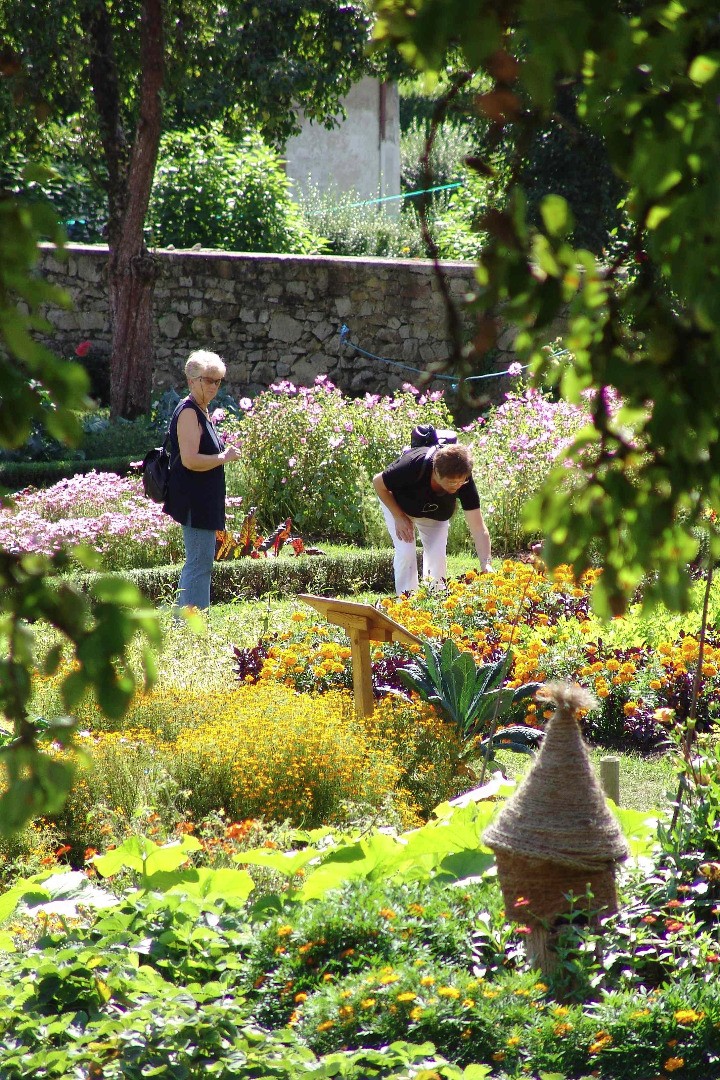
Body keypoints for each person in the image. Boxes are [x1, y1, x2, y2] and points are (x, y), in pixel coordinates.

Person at [163, 350, 240, 611]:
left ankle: (183, 623)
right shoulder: (188, 412)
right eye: (209, 380)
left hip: (204, 499)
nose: (215, 387)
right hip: (194, 500)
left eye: (218, 381)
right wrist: (223, 457)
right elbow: (190, 460)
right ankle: (193, 627)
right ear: (192, 380)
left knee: (199, 562)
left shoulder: (202, 410)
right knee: (199, 563)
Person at [373, 443, 492, 595]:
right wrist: (398, 516)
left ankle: (435, 601)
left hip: (437, 514)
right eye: (452, 482)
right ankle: (405, 604)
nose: (457, 486)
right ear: (436, 472)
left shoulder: (464, 481)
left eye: (461, 481)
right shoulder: (411, 464)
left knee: (437, 557)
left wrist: (486, 564)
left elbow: (478, 528)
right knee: (406, 553)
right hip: (400, 507)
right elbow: (378, 483)